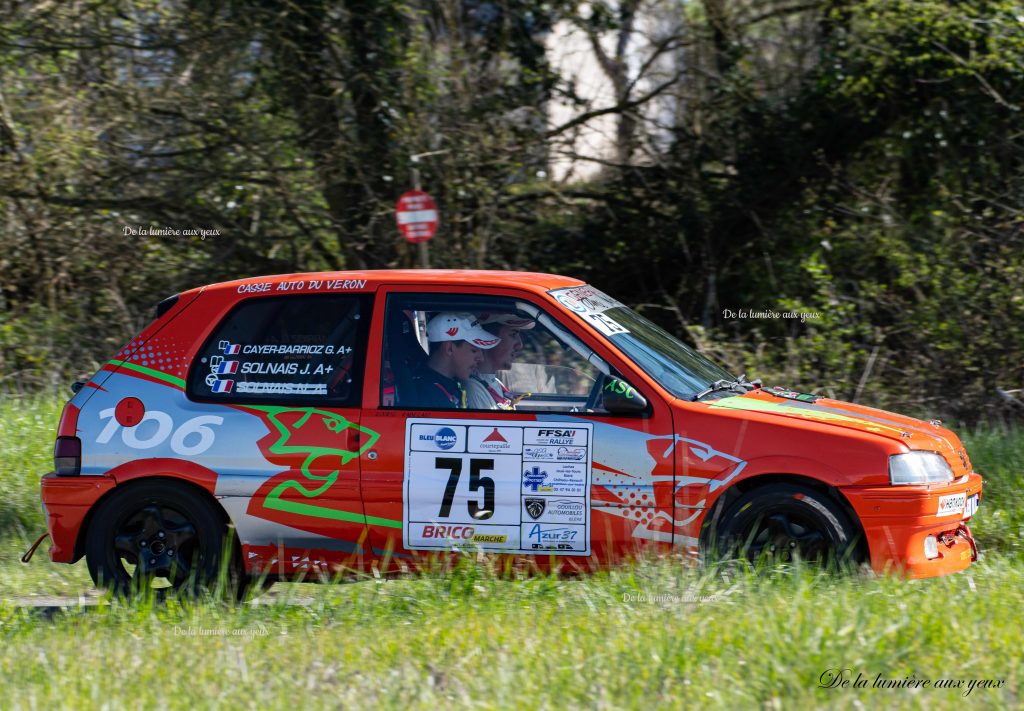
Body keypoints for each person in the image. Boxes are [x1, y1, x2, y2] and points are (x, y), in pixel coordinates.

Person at [407, 312, 499, 409]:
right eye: (474, 350)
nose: (481, 358)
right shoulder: (427, 394)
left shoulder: (451, 384)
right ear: (449, 348)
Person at [466, 312, 535, 410]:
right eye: (513, 334)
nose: (520, 345)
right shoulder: (474, 389)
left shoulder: (496, 383)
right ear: (488, 337)